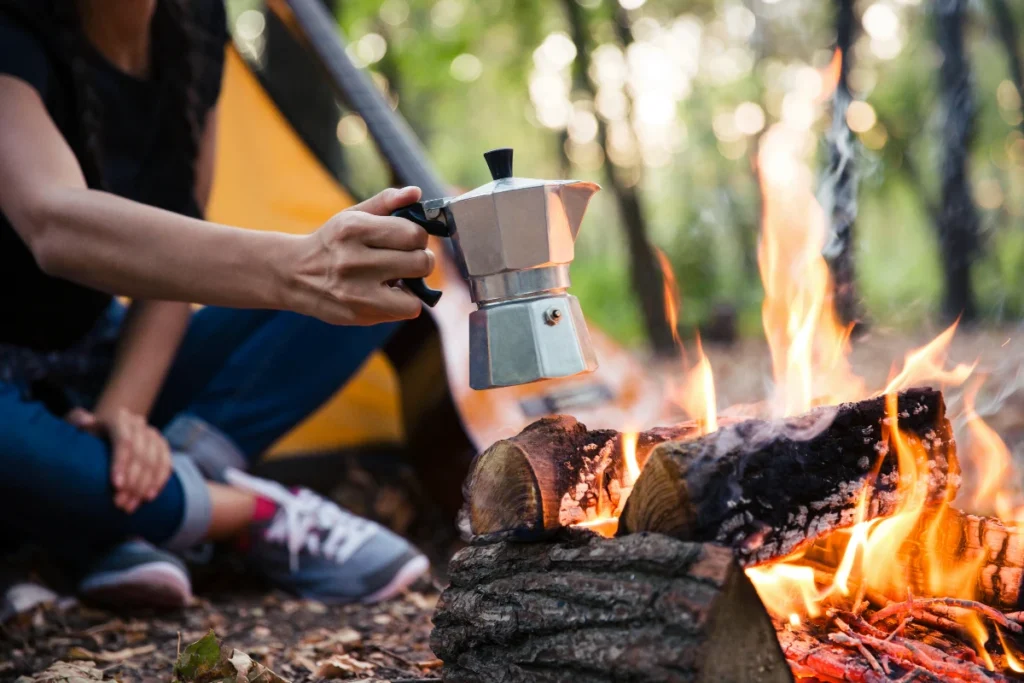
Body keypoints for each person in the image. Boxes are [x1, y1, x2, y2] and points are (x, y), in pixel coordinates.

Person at [0, 0, 437, 608]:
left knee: (388, 280)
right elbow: (54, 222)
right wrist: (298, 268)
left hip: (101, 357)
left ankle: (118, 509)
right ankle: (243, 511)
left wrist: (122, 415)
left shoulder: (195, 24)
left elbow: (176, 254)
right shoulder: (13, 33)